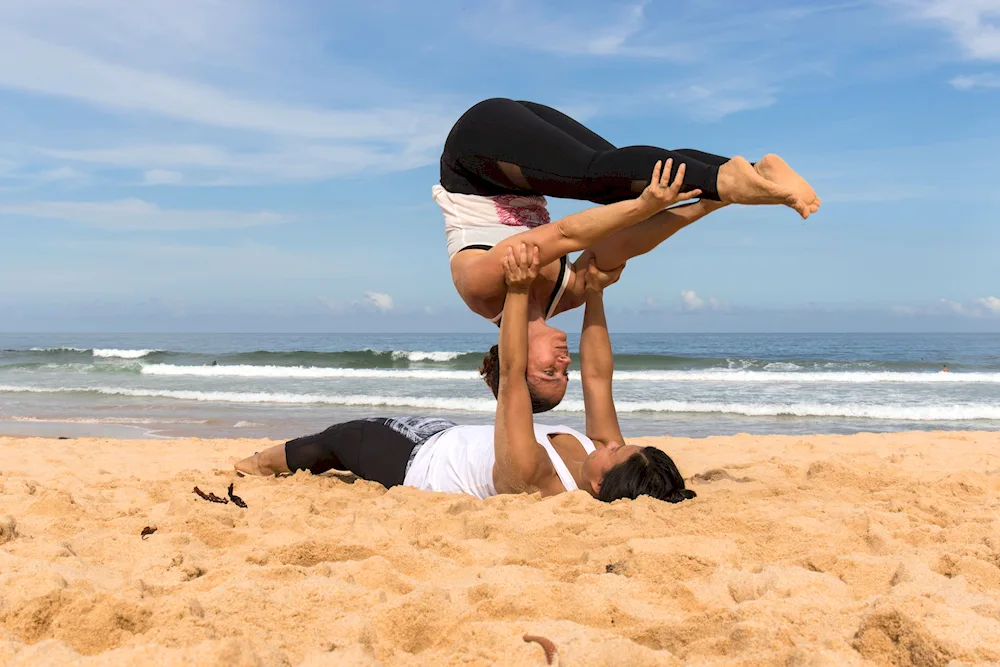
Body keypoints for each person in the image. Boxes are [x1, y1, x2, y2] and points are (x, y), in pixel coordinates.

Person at [435, 98, 821, 411]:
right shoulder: (567, 295)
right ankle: (755, 172)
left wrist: (643, 207)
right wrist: (714, 203)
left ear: (514, 363)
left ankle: (726, 178)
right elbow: (627, 242)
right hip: (519, 158)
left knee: (604, 185)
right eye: (566, 376)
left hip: (475, 151)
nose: (566, 364)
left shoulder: (481, 288)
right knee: (625, 185)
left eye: (550, 373)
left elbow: (567, 233)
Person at [234, 244, 695, 504]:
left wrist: (516, 293)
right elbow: (598, 378)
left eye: (615, 453)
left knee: (334, 443)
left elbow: (512, 376)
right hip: (450, 434)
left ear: (599, 485)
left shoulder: (536, 476)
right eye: (622, 444)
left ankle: (252, 465)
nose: (612, 442)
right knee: (334, 441)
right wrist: (594, 294)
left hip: (415, 461)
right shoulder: (597, 453)